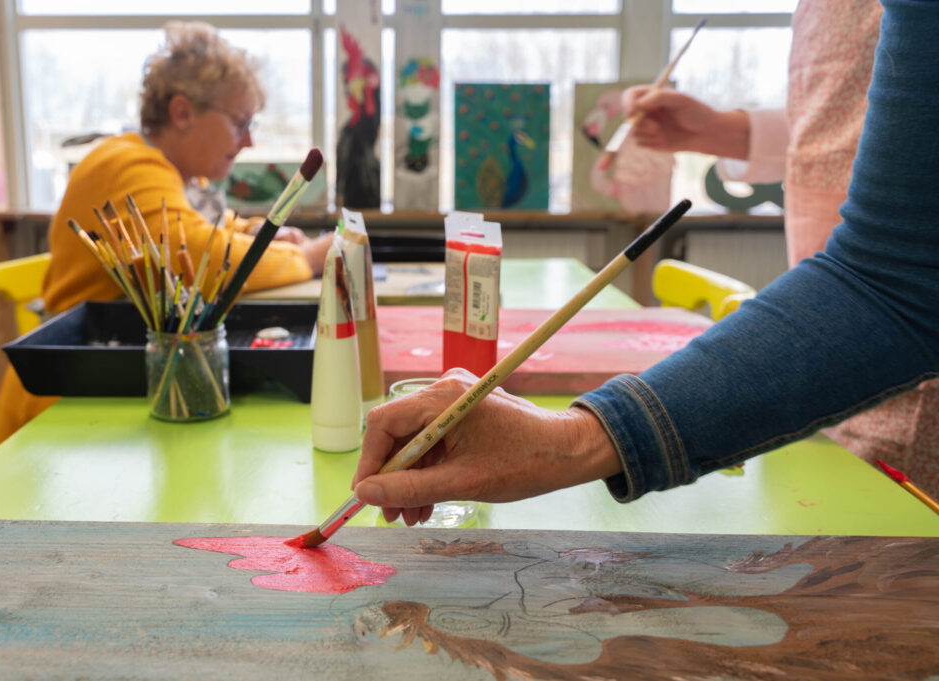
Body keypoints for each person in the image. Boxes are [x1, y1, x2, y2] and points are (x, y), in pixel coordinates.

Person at [352, 0, 939, 525]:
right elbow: (856, 126)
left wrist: (579, 439)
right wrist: (725, 131)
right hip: (827, 369)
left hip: (901, 396)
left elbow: (893, 278)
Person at [619, 1, 938, 498]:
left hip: (899, 341)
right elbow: (849, 115)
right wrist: (718, 131)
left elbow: (894, 276)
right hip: (822, 335)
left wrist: (600, 434)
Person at [0, 21, 332, 447]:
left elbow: (208, 229)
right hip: (62, 415)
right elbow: (206, 261)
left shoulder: (182, 178)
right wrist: (310, 258)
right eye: (240, 122)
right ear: (183, 112)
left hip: (125, 388)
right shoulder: (126, 165)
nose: (248, 141)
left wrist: (253, 231)